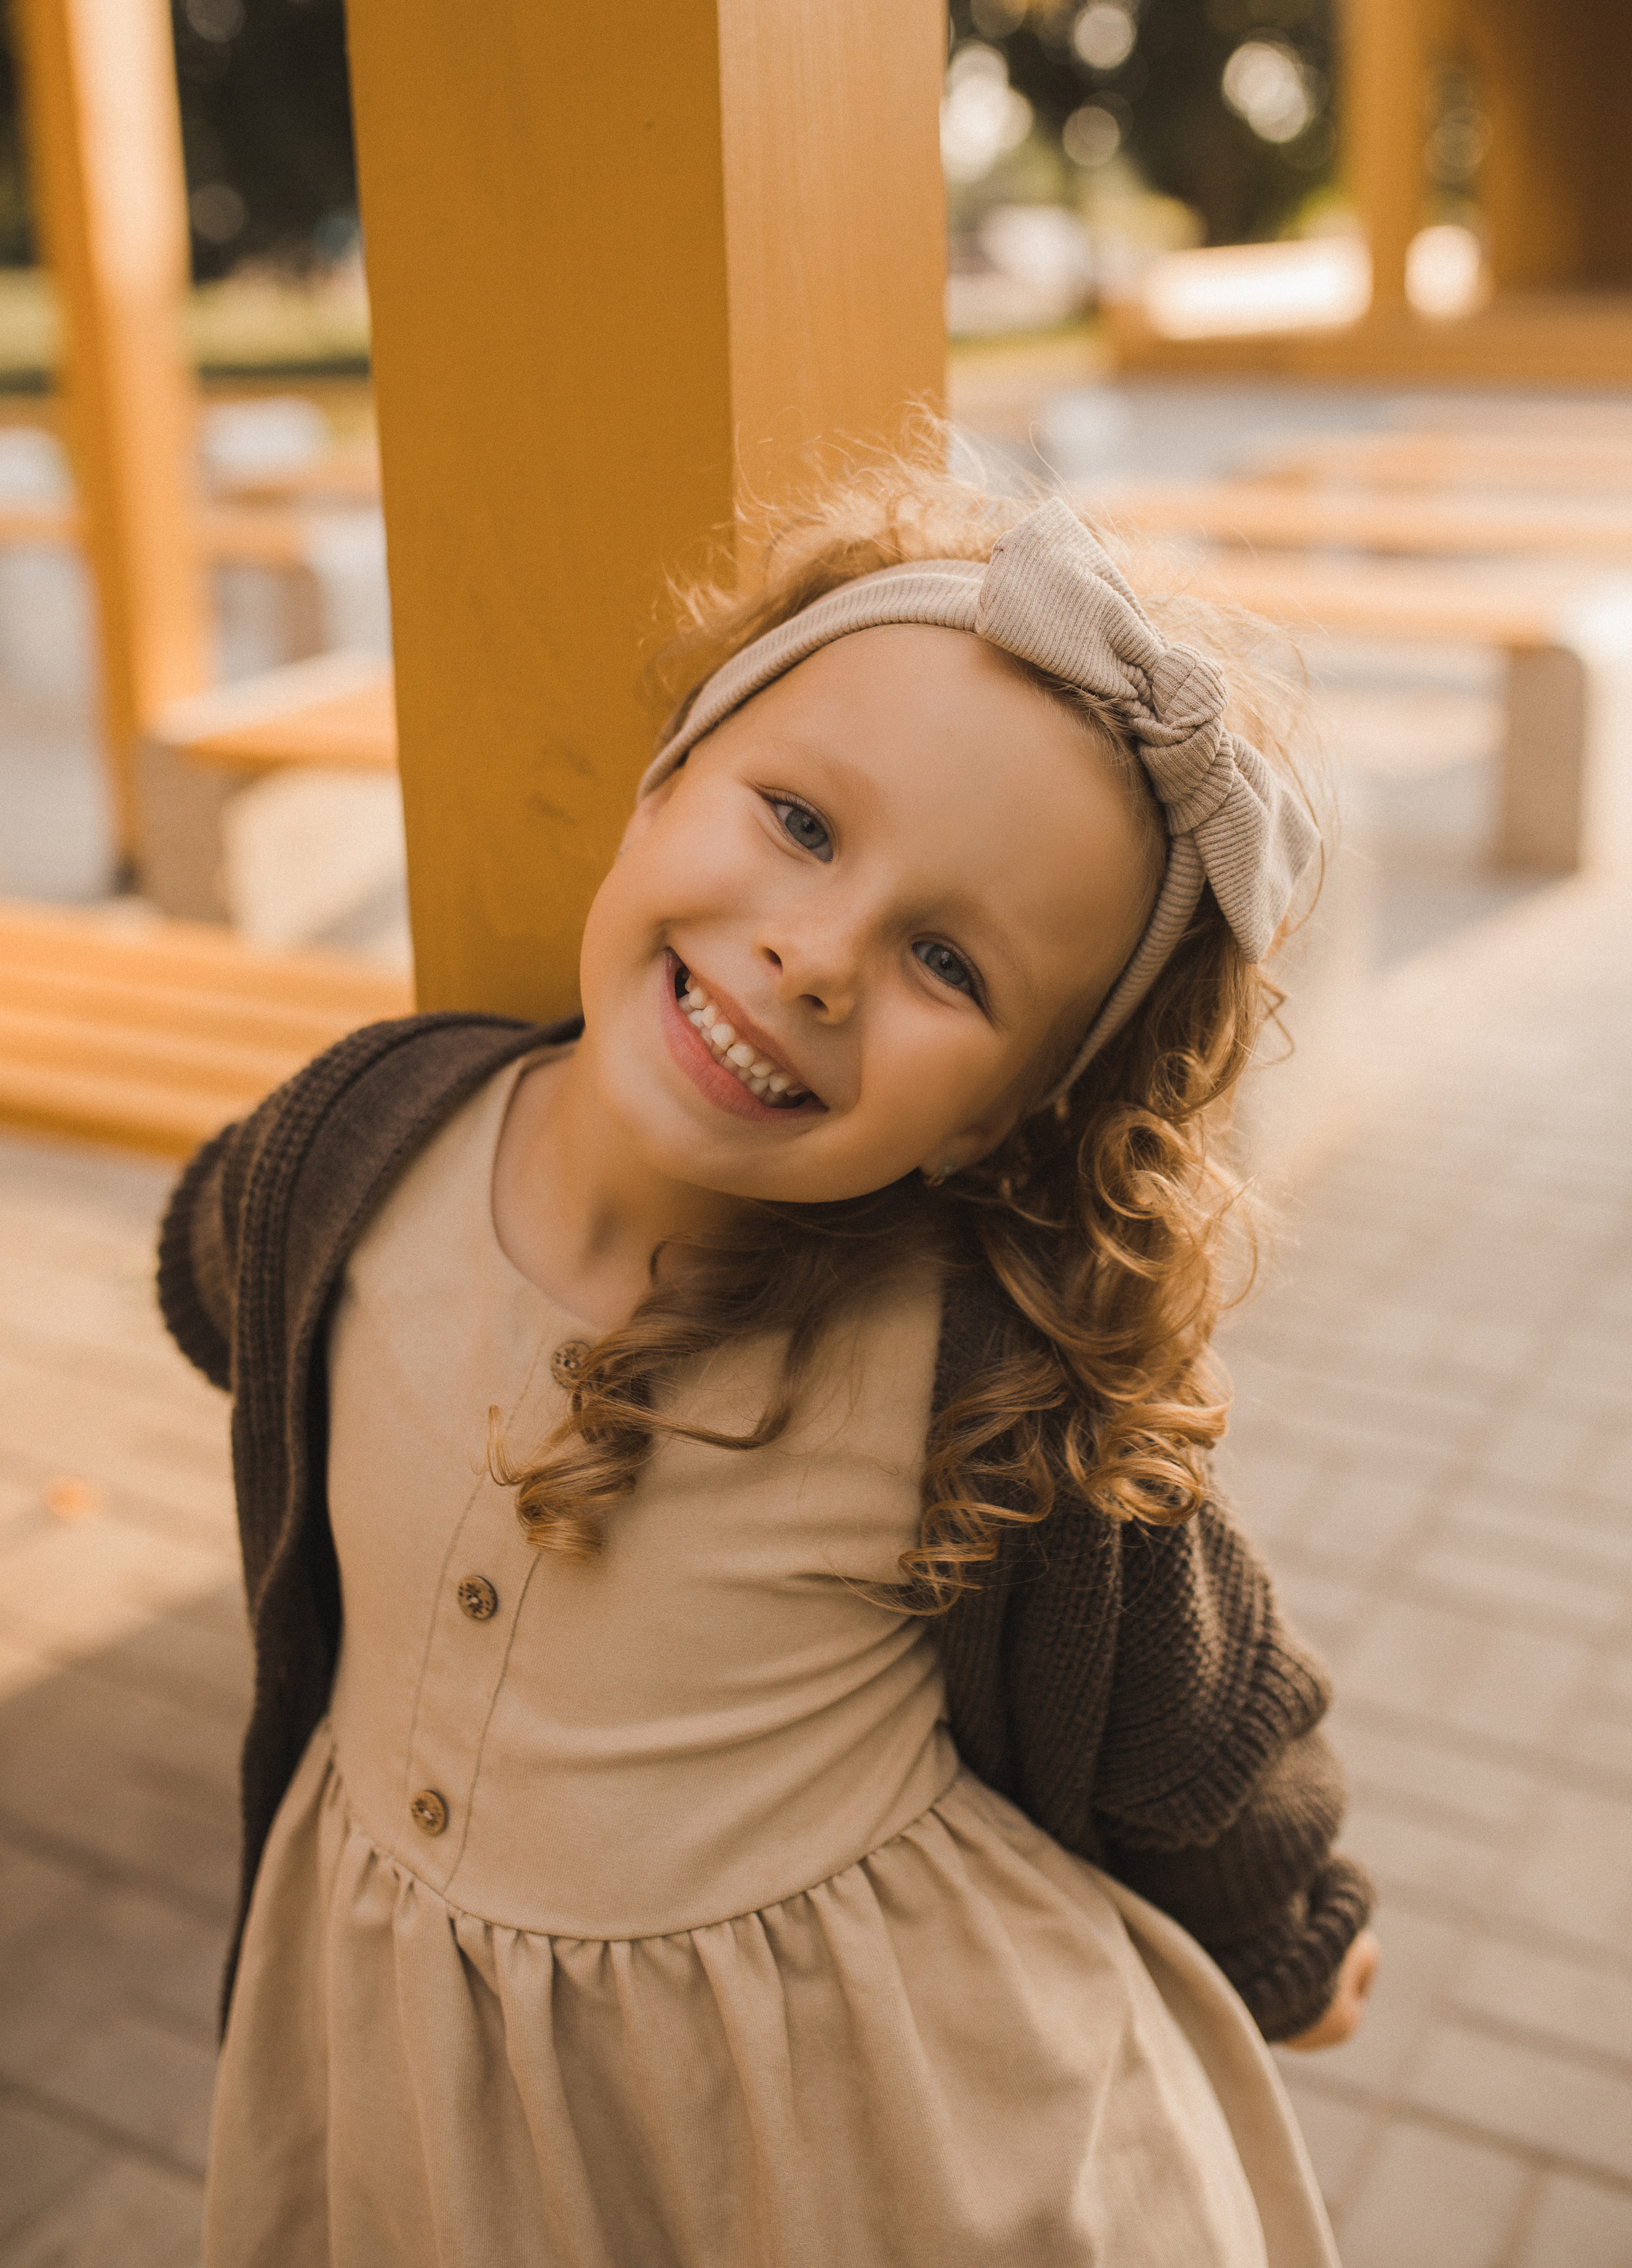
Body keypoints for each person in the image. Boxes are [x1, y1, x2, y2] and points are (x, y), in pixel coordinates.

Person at [159, 470, 1379, 2268]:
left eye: (947, 961)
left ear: (1003, 1119)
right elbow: (226, 1279)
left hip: (841, 2131)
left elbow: (1184, 1707)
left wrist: (1292, 1924)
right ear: (669, 779)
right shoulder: (361, 1139)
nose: (816, 957)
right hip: (418, 2071)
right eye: (801, 822)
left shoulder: (985, 1378)